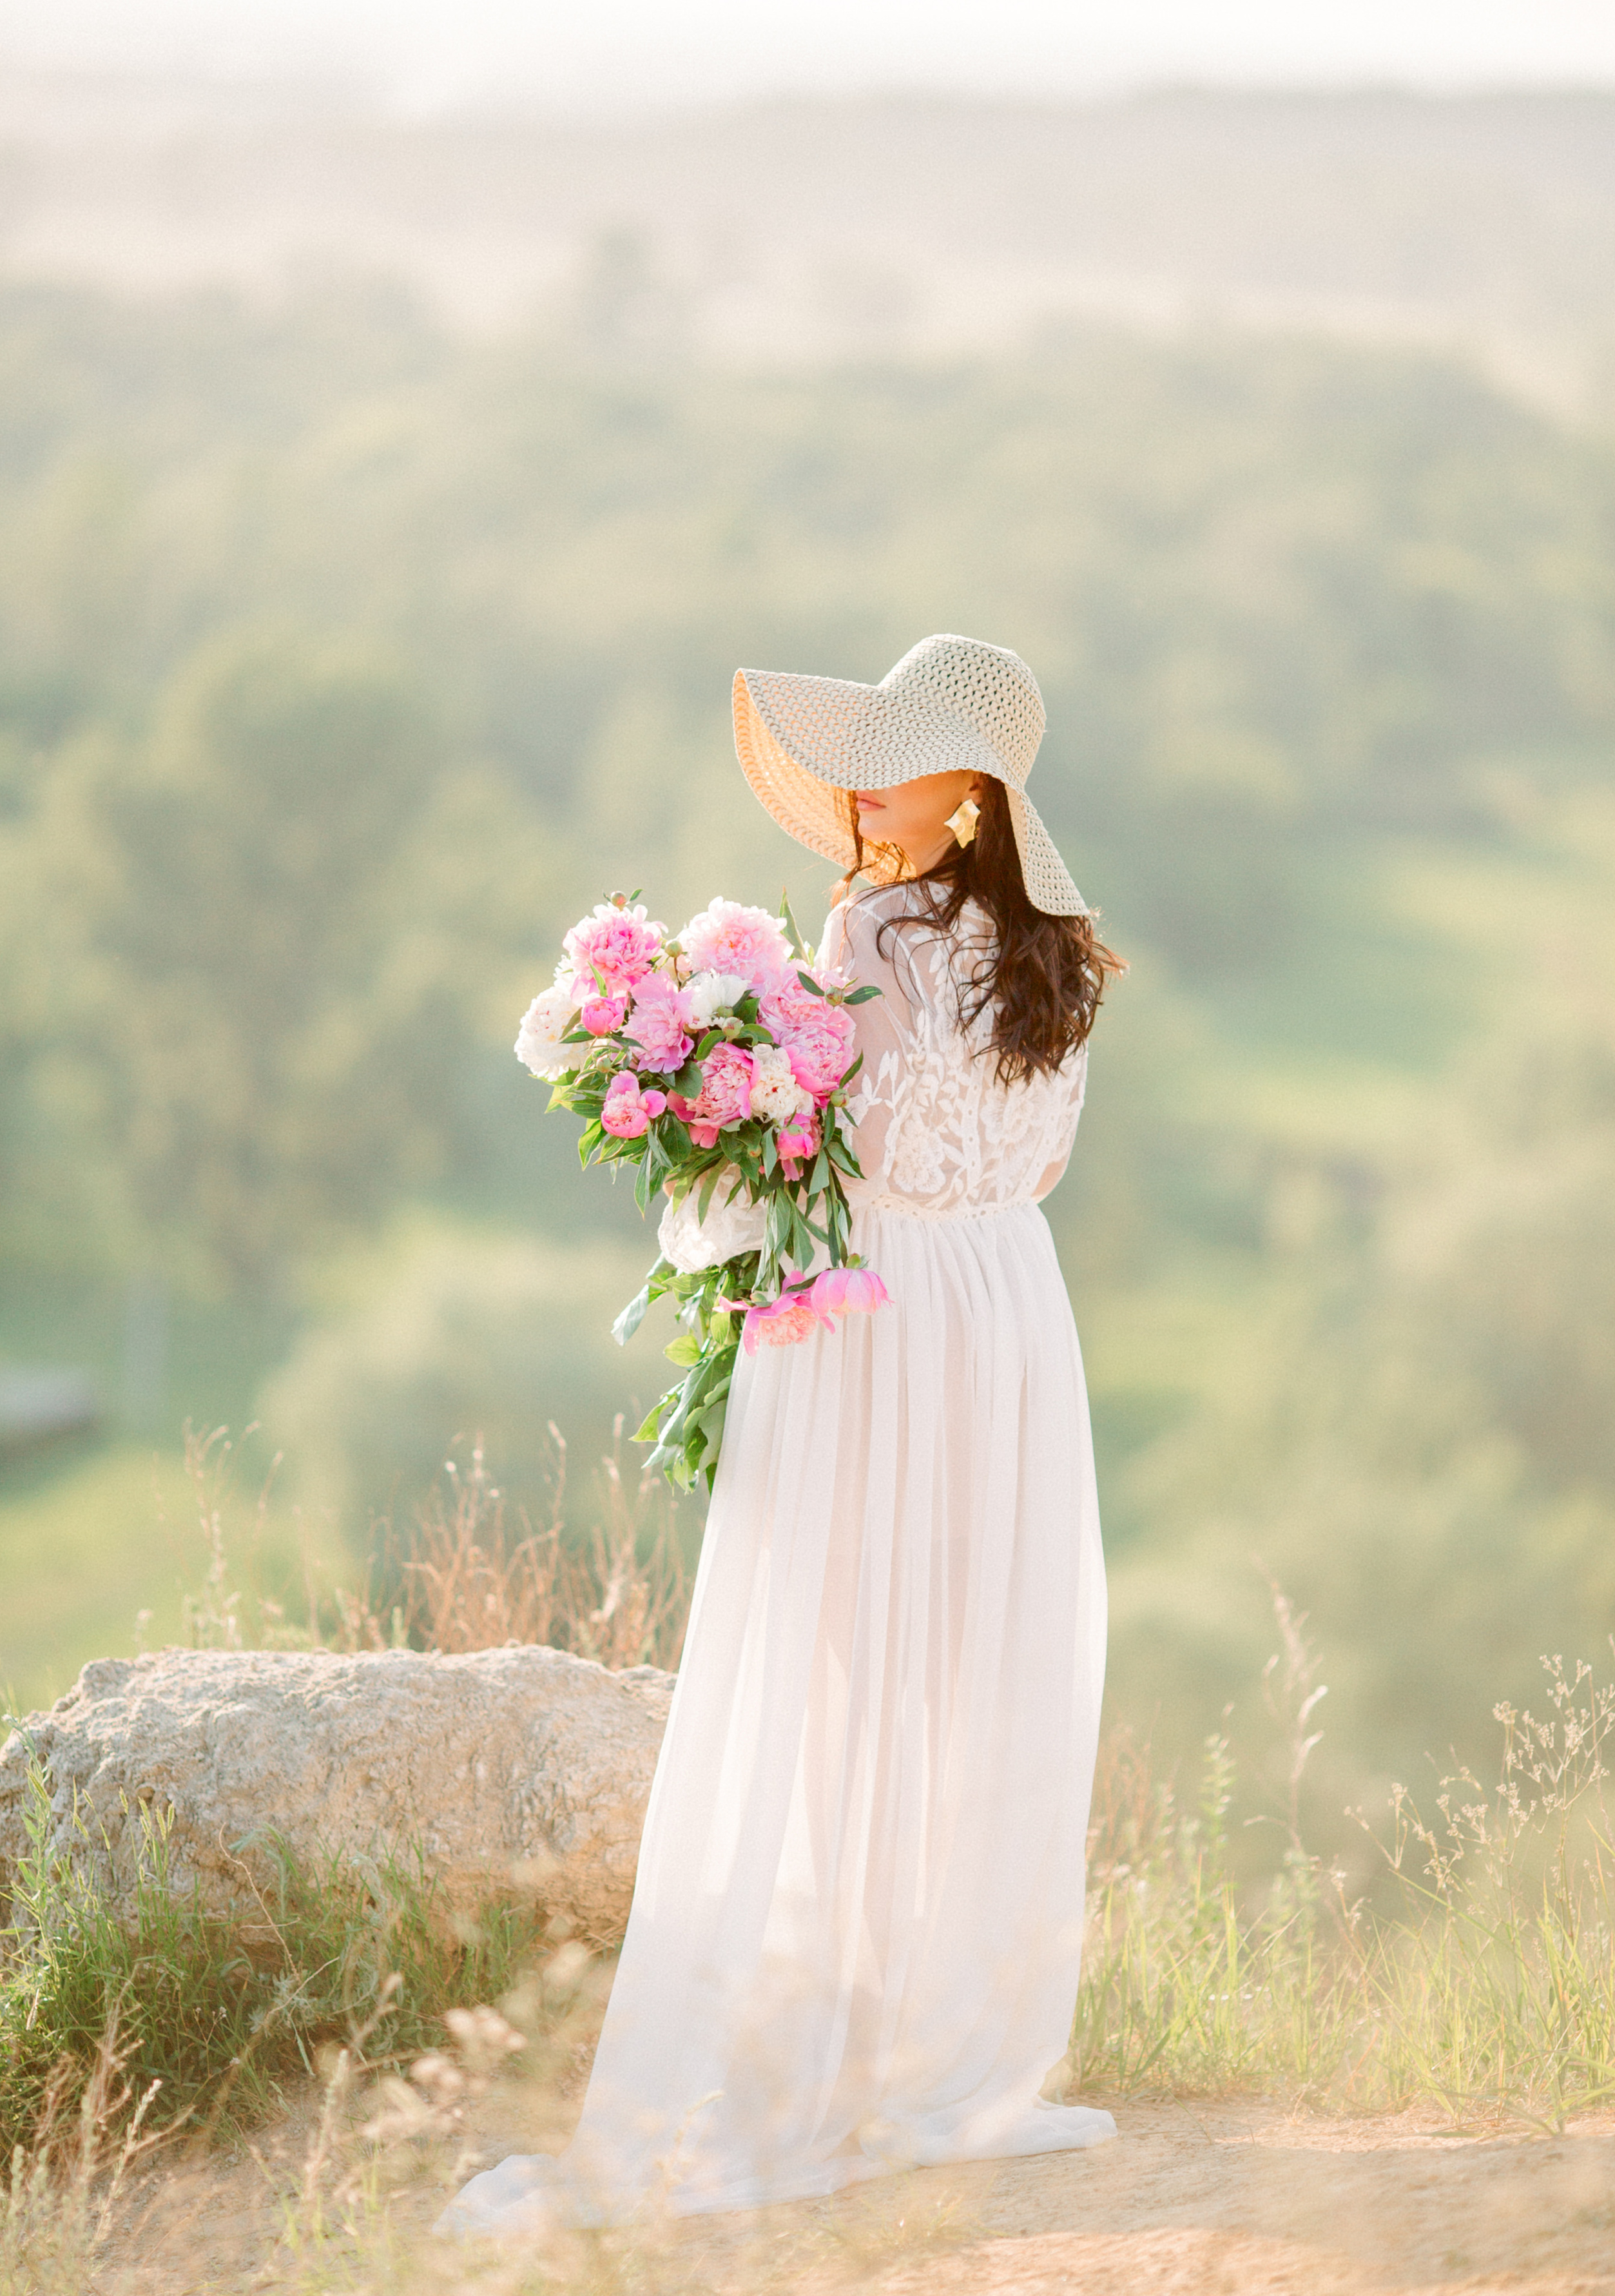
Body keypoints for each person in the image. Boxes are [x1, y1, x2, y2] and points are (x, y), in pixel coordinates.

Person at [438, 633, 1121, 2235]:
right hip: (1005, 1306)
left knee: (837, 1662)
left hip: (875, 1302)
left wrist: (717, 1120)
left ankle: (818, 2051)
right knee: (955, 1661)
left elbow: (835, 1138)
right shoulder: (1061, 955)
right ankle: (923, 2046)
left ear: (974, 791)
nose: (861, 782)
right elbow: (1033, 1168)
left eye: (896, 755)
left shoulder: (873, 924)